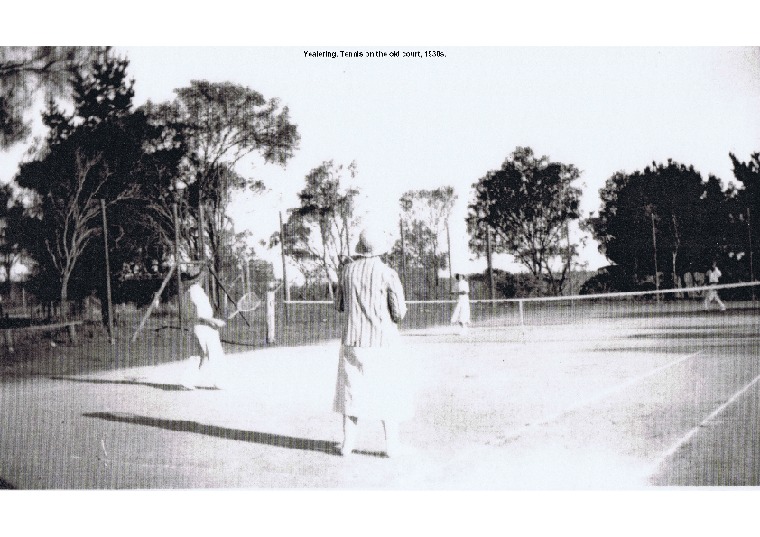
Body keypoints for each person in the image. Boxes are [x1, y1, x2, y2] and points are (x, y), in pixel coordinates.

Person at [333, 226, 411, 457]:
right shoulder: (388, 273)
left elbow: (338, 307)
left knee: (351, 392)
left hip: (352, 341)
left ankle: (348, 444)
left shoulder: (346, 272)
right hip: (382, 342)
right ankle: (391, 446)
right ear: (380, 249)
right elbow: (399, 313)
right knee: (389, 391)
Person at [181, 274, 227, 390]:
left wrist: (213, 321)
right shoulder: (196, 291)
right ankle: (220, 381)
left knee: (200, 354)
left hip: (199, 326)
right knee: (214, 353)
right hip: (203, 327)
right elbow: (200, 315)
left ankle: (188, 380)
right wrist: (214, 321)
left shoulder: (189, 291)